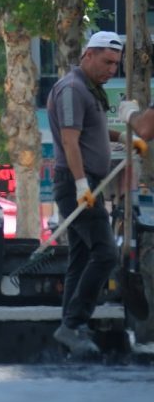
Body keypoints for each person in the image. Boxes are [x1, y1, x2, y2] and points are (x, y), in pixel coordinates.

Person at [47, 31, 145, 355]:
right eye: (107, 62)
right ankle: (73, 324)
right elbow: (70, 141)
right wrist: (80, 185)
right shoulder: (73, 89)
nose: (112, 70)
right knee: (104, 254)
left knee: (81, 257)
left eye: (116, 64)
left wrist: (124, 139)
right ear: (88, 54)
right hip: (77, 183)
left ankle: (70, 328)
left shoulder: (91, 90)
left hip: (84, 181)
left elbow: (96, 131)